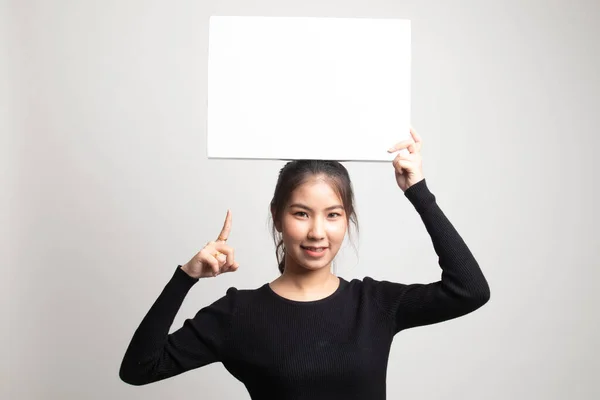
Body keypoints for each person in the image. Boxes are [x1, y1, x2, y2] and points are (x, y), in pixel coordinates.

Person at [119, 128, 490, 399]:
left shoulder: (374, 305)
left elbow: (469, 290)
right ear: (277, 216)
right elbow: (139, 369)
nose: (317, 232)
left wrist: (418, 192)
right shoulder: (239, 314)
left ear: (347, 219)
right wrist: (185, 278)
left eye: (332, 214)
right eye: (301, 213)